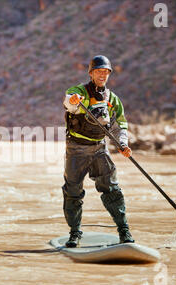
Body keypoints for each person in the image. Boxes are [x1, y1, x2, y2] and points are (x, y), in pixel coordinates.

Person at [62, 55, 134, 247]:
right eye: (98, 71)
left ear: (108, 74)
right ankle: (75, 233)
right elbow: (69, 102)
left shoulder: (112, 99)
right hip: (76, 148)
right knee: (73, 191)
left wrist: (123, 144)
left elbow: (121, 125)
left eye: (105, 72)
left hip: (99, 148)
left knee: (112, 189)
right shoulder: (79, 92)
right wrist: (74, 101)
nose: (102, 75)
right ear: (91, 73)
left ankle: (124, 231)